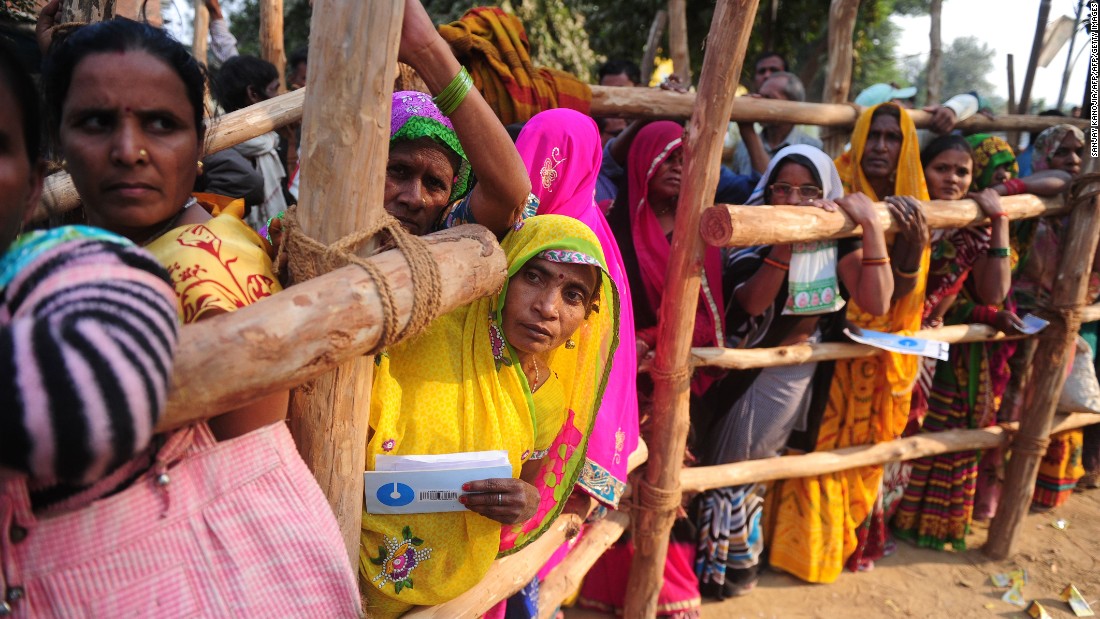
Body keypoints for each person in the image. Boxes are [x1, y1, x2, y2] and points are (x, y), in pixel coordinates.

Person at [38, 12, 361, 615]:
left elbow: (242, 471)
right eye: (95, 122)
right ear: (56, 140)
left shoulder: (193, 263)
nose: (128, 151)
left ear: (200, 140)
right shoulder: (201, 229)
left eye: (161, 124)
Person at [360, 214, 618, 616]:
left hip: (452, 592)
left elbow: (526, 487)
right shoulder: (428, 334)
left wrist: (525, 502)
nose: (547, 307)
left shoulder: (547, 398)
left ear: (588, 315)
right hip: (349, 560)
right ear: (505, 275)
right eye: (533, 276)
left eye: (573, 295)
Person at [694, 145, 892, 598]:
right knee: (725, 462)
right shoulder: (747, 230)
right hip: (738, 370)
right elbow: (752, 303)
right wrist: (788, 238)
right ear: (769, 189)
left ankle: (731, 568)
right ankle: (712, 567)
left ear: (826, 192)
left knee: (749, 469)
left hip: (788, 373)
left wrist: (870, 227)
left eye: (808, 189)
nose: (793, 198)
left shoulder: (837, 236)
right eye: (782, 187)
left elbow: (877, 301)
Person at [765, 102, 931, 582]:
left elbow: (900, 294)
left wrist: (911, 244)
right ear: (858, 138)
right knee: (813, 442)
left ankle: (836, 547)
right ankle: (796, 551)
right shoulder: (831, 186)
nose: (880, 146)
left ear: (906, 145)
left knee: (861, 453)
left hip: (888, 348)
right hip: (830, 341)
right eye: (872, 135)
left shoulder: (919, 196)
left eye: (892, 137)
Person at [579, 120, 724, 618]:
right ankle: (605, 588)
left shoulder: (699, 231)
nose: (680, 169)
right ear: (642, 161)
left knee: (666, 485)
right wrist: (625, 347)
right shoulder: (611, 222)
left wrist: (652, 343)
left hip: (672, 382)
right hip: (615, 379)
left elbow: (709, 318)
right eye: (669, 158)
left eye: (688, 160)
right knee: (615, 481)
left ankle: (670, 592)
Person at [887, 134, 1018, 550]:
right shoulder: (898, 212)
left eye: (962, 171)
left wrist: (998, 221)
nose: (952, 178)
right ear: (921, 169)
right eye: (941, 168)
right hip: (882, 339)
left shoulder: (970, 227)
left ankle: (903, 523)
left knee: (915, 432)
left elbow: (994, 293)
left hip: (927, 348)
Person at [211, 54, 288, 228]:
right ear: (253, 93)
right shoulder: (221, 151)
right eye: (274, 89)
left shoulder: (269, 141)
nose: (279, 96)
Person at [731, 72, 823, 175]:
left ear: (793, 104)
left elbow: (770, 188)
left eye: (768, 98)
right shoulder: (743, 147)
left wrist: (748, 133)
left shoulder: (813, 149)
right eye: (760, 96)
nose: (759, 103)